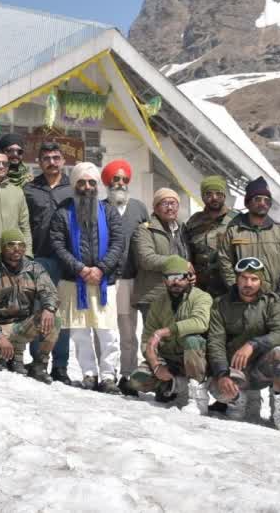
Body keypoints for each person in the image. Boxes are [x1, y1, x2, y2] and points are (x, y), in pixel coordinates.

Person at [49, 162, 126, 393]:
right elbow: (58, 244)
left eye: (92, 182)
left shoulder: (109, 210)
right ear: (75, 185)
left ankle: (109, 375)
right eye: (81, 182)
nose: (87, 186)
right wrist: (81, 269)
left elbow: (118, 242)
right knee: (80, 331)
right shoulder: (63, 211)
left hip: (104, 281)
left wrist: (101, 269)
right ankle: (89, 374)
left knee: (108, 332)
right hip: (75, 281)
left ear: (97, 186)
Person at [206, 257, 280, 433]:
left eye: (254, 279)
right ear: (237, 279)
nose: (248, 283)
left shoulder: (271, 301)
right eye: (244, 278)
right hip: (234, 369)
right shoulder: (221, 304)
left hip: (261, 368)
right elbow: (215, 341)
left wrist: (253, 344)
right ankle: (237, 399)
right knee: (223, 393)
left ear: (261, 281)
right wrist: (222, 373)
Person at [0, 229, 59, 381]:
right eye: (11, 245)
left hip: (20, 327)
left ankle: (39, 365)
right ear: (3, 248)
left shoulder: (34, 268)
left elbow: (50, 292)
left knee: (54, 318)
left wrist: (49, 309)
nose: (17, 249)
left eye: (21, 245)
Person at [126, 188, 190, 395]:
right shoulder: (145, 229)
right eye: (164, 203)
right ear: (155, 207)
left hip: (178, 294)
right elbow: (146, 258)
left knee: (173, 342)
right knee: (155, 341)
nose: (170, 207)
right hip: (153, 295)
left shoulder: (181, 229)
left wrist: (189, 275)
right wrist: (180, 265)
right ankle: (156, 382)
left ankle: (170, 384)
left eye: (174, 203)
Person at [130, 256, 211, 414]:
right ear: (164, 280)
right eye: (170, 277)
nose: (176, 282)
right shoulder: (158, 303)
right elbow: (147, 340)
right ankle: (178, 386)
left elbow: (200, 322)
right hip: (168, 359)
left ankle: (197, 396)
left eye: (180, 277)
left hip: (195, 358)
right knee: (137, 381)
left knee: (193, 340)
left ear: (188, 278)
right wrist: (156, 366)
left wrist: (164, 332)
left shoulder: (201, 297)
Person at [22, 141, 74, 383]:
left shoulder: (73, 188)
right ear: (39, 162)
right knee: (38, 311)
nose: (51, 162)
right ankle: (37, 360)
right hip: (39, 258)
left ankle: (60, 366)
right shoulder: (30, 189)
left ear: (63, 160)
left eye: (56, 157)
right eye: (46, 158)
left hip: (66, 260)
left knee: (62, 313)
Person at [101, 160, 149, 395]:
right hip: (107, 279)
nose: (119, 183)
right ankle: (106, 374)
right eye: (115, 179)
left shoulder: (139, 208)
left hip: (132, 278)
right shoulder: (99, 207)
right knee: (108, 329)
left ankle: (127, 374)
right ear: (107, 182)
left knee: (129, 330)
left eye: (123, 179)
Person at [218, 176, 280, 301]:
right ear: (248, 203)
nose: (262, 203)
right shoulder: (234, 231)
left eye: (266, 200)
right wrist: (234, 288)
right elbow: (225, 261)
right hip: (242, 297)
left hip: (273, 299)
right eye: (257, 199)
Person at [184, 176, 235, 297]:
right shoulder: (194, 221)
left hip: (228, 287)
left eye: (219, 194)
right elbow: (187, 251)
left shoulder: (236, 220)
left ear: (224, 196)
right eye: (209, 194)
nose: (214, 198)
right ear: (202, 196)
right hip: (201, 288)